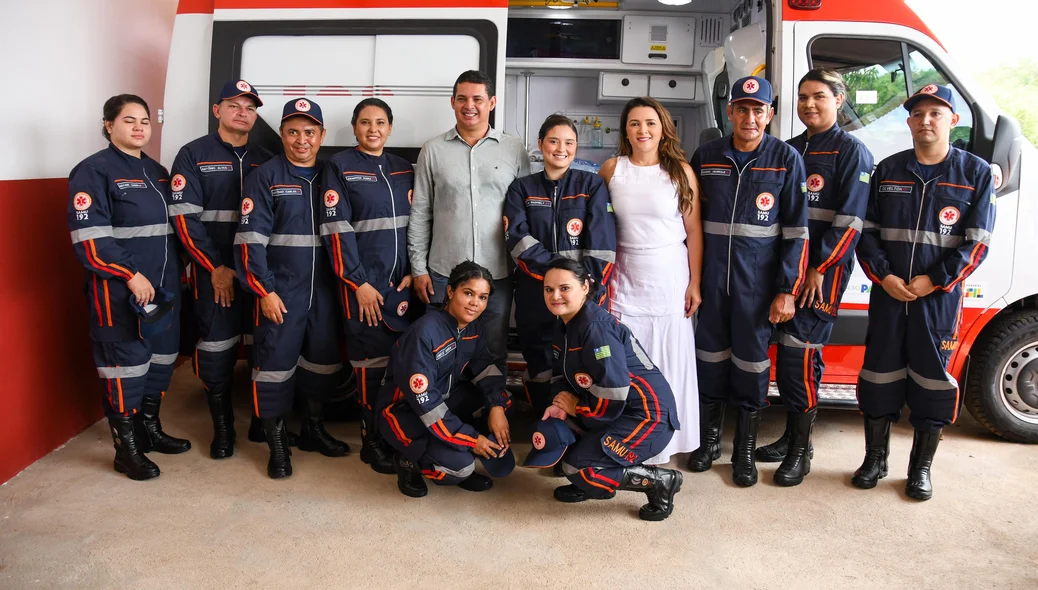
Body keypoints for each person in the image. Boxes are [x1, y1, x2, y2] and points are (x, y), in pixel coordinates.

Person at [854, 84, 995, 500]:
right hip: (889, 295)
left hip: (939, 301)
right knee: (878, 376)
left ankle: (920, 469)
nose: (926, 120)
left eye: (936, 113)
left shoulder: (975, 174)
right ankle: (875, 459)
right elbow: (868, 232)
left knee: (933, 383)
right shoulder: (889, 170)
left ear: (953, 120)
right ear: (909, 121)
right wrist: (885, 277)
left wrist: (933, 281)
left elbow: (978, 242)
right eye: (918, 114)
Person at [753, 69, 874, 486]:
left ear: (839, 100)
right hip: (786, 274)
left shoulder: (852, 153)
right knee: (783, 361)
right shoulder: (788, 150)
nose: (809, 104)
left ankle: (802, 453)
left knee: (800, 358)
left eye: (818, 96)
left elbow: (850, 221)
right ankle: (790, 438)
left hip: (821, 276)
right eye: (803, 97)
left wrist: (820, 268)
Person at [687, 76, 809, 486]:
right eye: (742, 108)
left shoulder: (787, 159)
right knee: (709, 362)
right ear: (730, 112)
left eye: (758, 110)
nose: (750, 117)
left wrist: (786, 290)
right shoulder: (705, 156)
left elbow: (796, 231)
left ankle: (743, 453)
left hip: (756, 289)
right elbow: (686, 222)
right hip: (711, 283)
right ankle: (709, 443)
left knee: (753, 368)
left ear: (770, 114)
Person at [67, 94, 189, 480]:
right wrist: (129, 275)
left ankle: (149, 429)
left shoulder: (158, 172)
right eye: (128, 120)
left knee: (160, 362)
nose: (139, 128)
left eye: (144, 121)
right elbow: (91, 240)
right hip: (120, 292)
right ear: (108, 125)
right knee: (126, 368)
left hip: (164, 290)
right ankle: (127, 449)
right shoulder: (93, 171)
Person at [234, 98, 348, 479]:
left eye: (310, 132)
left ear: (322, 136)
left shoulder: (332, 174)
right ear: (282, 134)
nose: (302, 140)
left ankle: (314, 429)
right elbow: (250, 239)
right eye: (293, 131)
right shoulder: (265, 176)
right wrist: (264, 291)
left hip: (326, 292)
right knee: (273, 366)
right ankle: (277, 446)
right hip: (282, 292)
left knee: (322, 362)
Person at [529, 258, 683, 521]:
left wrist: (576, 408)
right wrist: (559, 403)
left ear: (585, 287)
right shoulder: (564, 324)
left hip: (647, 417)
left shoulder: (595, 328)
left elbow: (615, 390)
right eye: (548, 289)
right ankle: (599, 482)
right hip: (614, 411)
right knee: (565, 452)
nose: (555, 296)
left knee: (576, 468)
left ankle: (660, 481)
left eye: (564, 288)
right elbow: (562, 374)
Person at [168, 79, 274, 460]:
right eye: (234, 104)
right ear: (217, 110)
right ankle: (223, 428)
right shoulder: (193, 154)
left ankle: (263, 420)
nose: (243, 112)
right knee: (217, 345)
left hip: (257, 272)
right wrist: (215, 267)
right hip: (214, 274)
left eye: (250, 106)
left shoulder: (266, 157)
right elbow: (184, 219)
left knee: (265, 344)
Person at [597, 96, 702, 466]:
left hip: (670, 277)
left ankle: (668, 443)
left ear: (663, 129)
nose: (643, 130)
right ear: (625, 130)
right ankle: (627, 441)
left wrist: (695, 284)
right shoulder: (612, 170)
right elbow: (599, 227)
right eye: (635, 123)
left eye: (650, 123)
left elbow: (694, 232)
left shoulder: (680, 172)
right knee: (628, 362)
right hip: (624, 279)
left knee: (669, 361)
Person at [408, 70, 530, 364]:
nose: (469, 105)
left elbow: (526, 212)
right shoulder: (433, 150)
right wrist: (418, 269)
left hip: (498, 275)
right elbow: (421, 211)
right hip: (442, 273)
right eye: (462, 98)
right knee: (438, 352)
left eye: (477, 98)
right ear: (452, 102)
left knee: (492, 350)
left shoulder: (513, 149)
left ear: (492, 102)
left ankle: (492, 409)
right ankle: (440, 410)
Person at [320, 98, 413, 474]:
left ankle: (393, 435)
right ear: (355, 128)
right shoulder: (339, 167)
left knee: (398, 365)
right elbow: (335, 229)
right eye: (364, 122)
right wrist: (357, 282)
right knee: (368, 366)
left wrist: (414, 271)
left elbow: (418, 224)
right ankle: (370, 441)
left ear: (390, 128)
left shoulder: (404, 169)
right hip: (363, 290)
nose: (372, 129)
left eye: (380, 122)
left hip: (402, 287)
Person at [503, 114, 616, 414]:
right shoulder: (521, 189)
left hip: (583, 293)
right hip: (534, 291)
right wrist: (559, 278)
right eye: (553, 141)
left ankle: (577, 422)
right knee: (538, 357)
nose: (561, 148)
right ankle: (544, 419)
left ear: (576, 147)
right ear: (540, 145)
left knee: (581, 356)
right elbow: (518, 241)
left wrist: (582, 284)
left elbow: (602, 243)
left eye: (569, 143)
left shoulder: (592, 185)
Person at [377, 261, 513, 498]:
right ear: (450, 291)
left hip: (443, 401)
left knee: (502, 403)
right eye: (468, 293)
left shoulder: (473, 328)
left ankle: (451, 443)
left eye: (483, 297)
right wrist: (472, 440)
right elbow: (427, 405)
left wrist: (497, 407)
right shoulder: (424, 333)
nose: (475, 303)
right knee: (461, 468)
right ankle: (407, 458)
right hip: (405, 413)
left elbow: (486, 369)